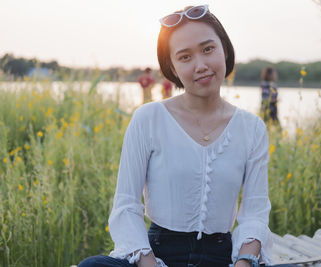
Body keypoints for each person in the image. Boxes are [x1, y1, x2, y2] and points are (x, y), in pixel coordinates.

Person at [78, 5, 292, 267]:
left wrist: (245, 262)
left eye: (208, 49)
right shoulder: (148, 118)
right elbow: (126, 207)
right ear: (172, 67)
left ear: (224, 48)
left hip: (223, 256)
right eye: (185, 57)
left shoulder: (252, 128)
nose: (201, 65)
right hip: (157, 254)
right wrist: (149, 263)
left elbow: (255, 213)